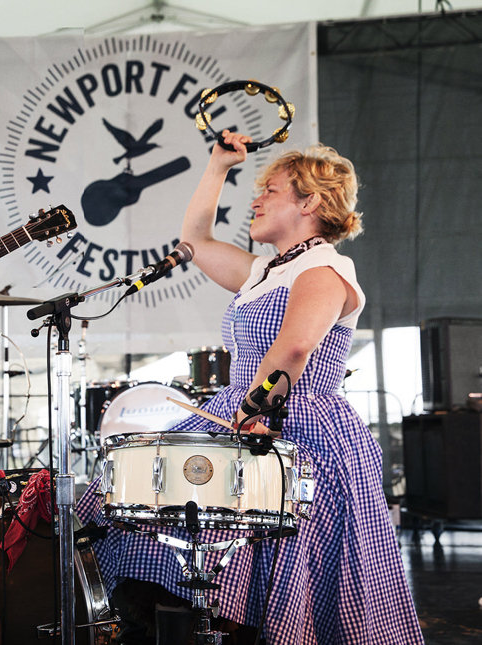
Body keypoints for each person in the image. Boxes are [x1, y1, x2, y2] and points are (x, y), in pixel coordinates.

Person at [75, 130, 424, 644]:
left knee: (264, 552)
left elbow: (294, 349)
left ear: (310, 202)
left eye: (272, 190)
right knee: (160, 513)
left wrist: (250, 411)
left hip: (296, 425)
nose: (256, 200)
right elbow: (193, 242)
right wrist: (217, 165)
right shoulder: (265, 271)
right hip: (245, 410)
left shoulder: (326, 267)